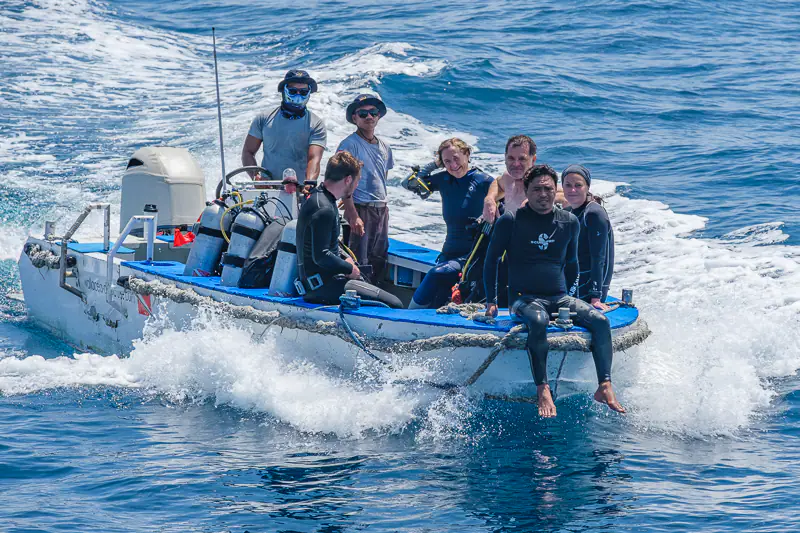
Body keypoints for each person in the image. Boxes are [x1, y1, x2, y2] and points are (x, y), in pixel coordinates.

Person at [483, 164, 624, 418]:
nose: (543, 194)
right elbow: (491, 260)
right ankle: (543, 387)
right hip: (521, 299)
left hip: (558, 297)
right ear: (526, 190)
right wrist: (492, 301)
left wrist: (567, 295)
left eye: (548, 188)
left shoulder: (568, 222)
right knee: (539, 321)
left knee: (600, 321)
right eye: (536, 189)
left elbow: (572, 265)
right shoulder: (511, 221)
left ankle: (604, 384)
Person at [295, 151, 402, 309]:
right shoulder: (324, 209)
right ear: (348, 180)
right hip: (322, 289)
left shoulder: (319, 198)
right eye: (357, 181)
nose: (357, 186)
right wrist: (349, 268)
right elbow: (321, 256)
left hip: (319, 282)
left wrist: (344, 260)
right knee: (394, 304)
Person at [403, 138, 494, 309]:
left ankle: (407, 315)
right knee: (437, 300)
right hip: (447, 253)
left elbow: (508, 203)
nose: (453, 165)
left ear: (467, 154)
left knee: (436, 274)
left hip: (472, 256)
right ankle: (409, 321)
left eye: (456, 158)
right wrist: (435, 164)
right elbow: (408, 183)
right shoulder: (445, 179)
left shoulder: (484, 181)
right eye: (447, 161)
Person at [337, 94, 393, 284]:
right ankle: (356, 294)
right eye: (363, 113)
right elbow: (342, 182)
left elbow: (382, 178)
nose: (369, 117)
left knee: (379, 256)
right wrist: (353, 215)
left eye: (373, 113)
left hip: (381, 209)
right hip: (361, 207)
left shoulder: (385, 146)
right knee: (358, 257)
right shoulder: (349, 145)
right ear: (354, 118)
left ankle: (375, 293)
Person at [241, 69, 326, 183]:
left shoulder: (316, 124)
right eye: (293, 91)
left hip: (300, 189)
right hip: (269, 188)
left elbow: (314, 159)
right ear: (283, 91)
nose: (298, 95)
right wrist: (257, 178)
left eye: (303, 92)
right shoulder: (263, 119)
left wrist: (309, 183)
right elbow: (248, 152)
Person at [561, 165, 615, 309]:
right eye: (568, 185)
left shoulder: (593, 213)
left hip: (589, 289)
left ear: (587, 187)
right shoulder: (568, 212)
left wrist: (596, 296)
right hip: (574, 280)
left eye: (578, 185)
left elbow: (599, 258)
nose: (572, 190)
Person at [482, 135, 537, 222]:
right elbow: (498, 183)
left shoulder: (541, 184)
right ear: (505, 157)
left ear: (533, 159)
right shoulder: (508, 177)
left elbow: (561, 195)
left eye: (522, 159)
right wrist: (490, 199)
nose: (516, 164)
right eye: (511, 158)